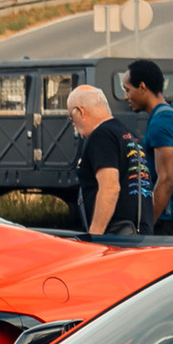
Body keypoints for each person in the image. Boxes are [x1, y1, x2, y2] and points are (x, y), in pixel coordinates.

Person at [126, 59, 173, 238]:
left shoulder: (161, 121)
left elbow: (166, 179)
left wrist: (147, 225)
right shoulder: (171, 111)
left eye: (128, 90)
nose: (126, 96)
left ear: (142, 87)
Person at [68, 83, 143, 240]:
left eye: (71, 116)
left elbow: (110, 188)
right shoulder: (130, 136)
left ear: (80, 111)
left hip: (116, 238)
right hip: (140, 234)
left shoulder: (102, 135)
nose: (72, 123)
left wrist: (94, 236)